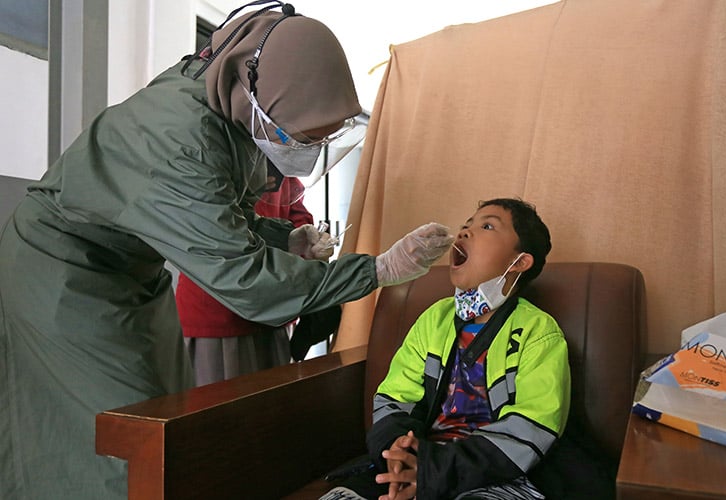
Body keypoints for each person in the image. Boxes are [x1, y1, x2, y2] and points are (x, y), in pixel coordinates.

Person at [0, 2, 453, 498]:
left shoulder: (225, 101)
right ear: (261, 95)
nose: (305, 152)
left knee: (170, 415)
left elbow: (218, 208)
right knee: (122, 438)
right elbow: (248, 279)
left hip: (134, 270)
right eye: (300, 137)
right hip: (66, 272)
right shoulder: (178, 138)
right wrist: (378, 269)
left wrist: (285, 236)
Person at [322, 198, 570, 500]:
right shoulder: (433, 319)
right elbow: (394, 397)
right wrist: (399, 452)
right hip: (420, 458)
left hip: (498, 476)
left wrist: (430, 473)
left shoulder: (538, 332)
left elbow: (532, 426)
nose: (465, 231)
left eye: (487, 225)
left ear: (518, 262)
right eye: (466, 224)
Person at [176, 176, 329, 386]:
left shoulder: (277, 156)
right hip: (217, 313)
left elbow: (298, 213)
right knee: (218, 407)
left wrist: (310, 241)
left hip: (273, 310)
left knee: (270, 406)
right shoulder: (214, 161)